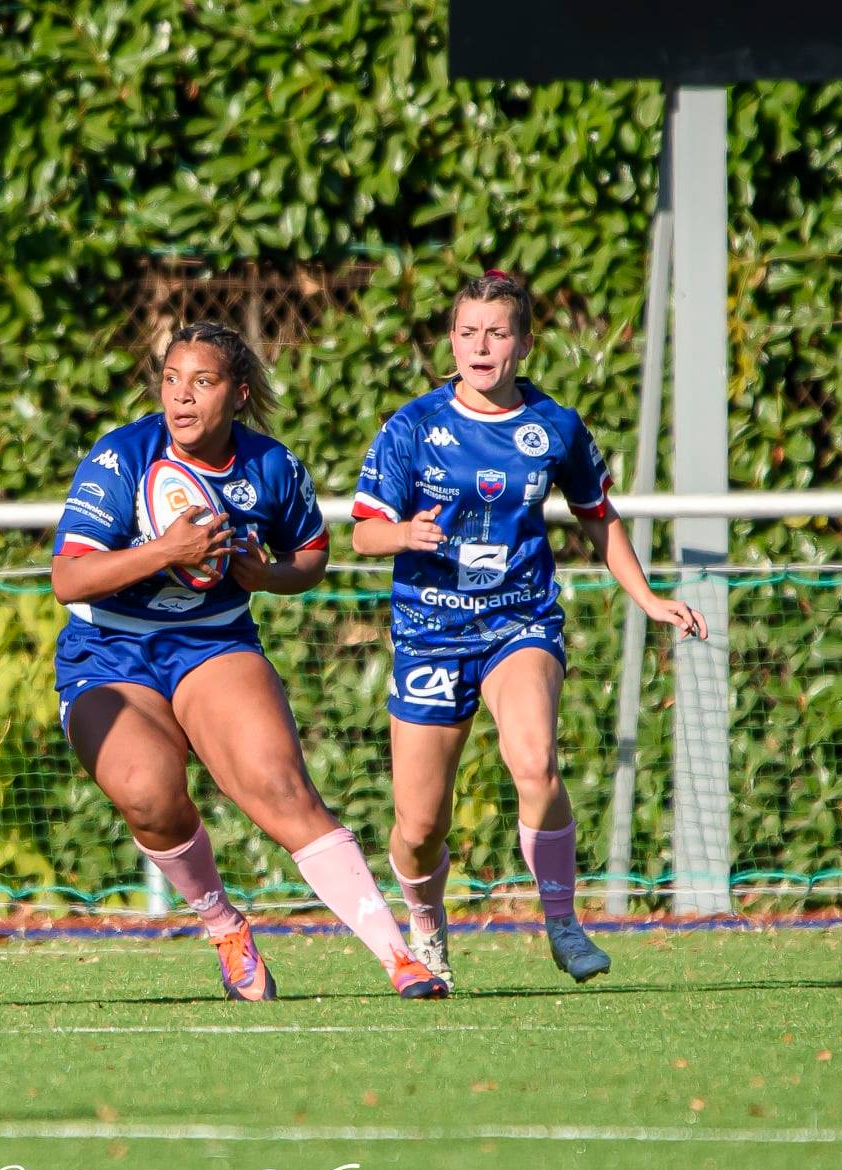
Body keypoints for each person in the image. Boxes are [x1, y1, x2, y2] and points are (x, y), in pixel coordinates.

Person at [52, 321, 447, 1001]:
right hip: (107, 650)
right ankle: (224, 925)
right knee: (147, 795)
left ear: (236, 393)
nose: (180, 397)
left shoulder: (271, 466)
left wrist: (264, 576)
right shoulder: (121, 457)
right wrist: (164, 554)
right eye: (171, 379)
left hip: (212, 641)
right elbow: (68, 580)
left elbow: (311, 556)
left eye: (200, 382)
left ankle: (398, 957)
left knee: (281, 792)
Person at [351, 272, 705, 988]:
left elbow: (597, 518)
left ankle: (562, 922)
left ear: (524, 343)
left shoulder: (556, 428)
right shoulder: (411, 427)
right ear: (450, 341)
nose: (480, 347)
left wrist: (648, 598)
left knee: (536, 764)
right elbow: (361, 536)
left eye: (496, 332)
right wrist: (404, 534)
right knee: (418, 828)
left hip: (519, 621)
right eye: (466, 332)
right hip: (429, 633)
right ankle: (425, 926)